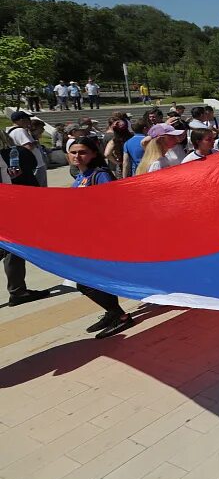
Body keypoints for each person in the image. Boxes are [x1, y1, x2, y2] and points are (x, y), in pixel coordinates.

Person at [67, 136, 135, 338]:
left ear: (94, 154)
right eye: (74, 152)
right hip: (87, 238)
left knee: (85, 282)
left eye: (82, 152)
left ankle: (120, 316)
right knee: (94, 280)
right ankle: (112, 312)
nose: (77, 156)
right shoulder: (81, 177)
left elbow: (111, 205)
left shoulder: (100, 175)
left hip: (102, 238)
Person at [0, 129, 51, 307]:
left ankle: (18, 290)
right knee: (14, 249)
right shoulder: (18, 153)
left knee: (8, 248)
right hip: (17, 207)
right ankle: (18, 291)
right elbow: (33, 166)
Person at [6, 111, 47, 186]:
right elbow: (28, 147)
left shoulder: (10, 131)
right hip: (36, 166)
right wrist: (35, 142)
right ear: (21, 120)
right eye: (28, 119)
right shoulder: (20, 131)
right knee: (41, 190)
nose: (29, 121)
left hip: (29, 166)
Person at [103, 114, 132, 179]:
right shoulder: (131, 138)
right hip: (132, 164)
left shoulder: (114, 141)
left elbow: (107, 154)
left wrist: (117, 162)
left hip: (121, 165)